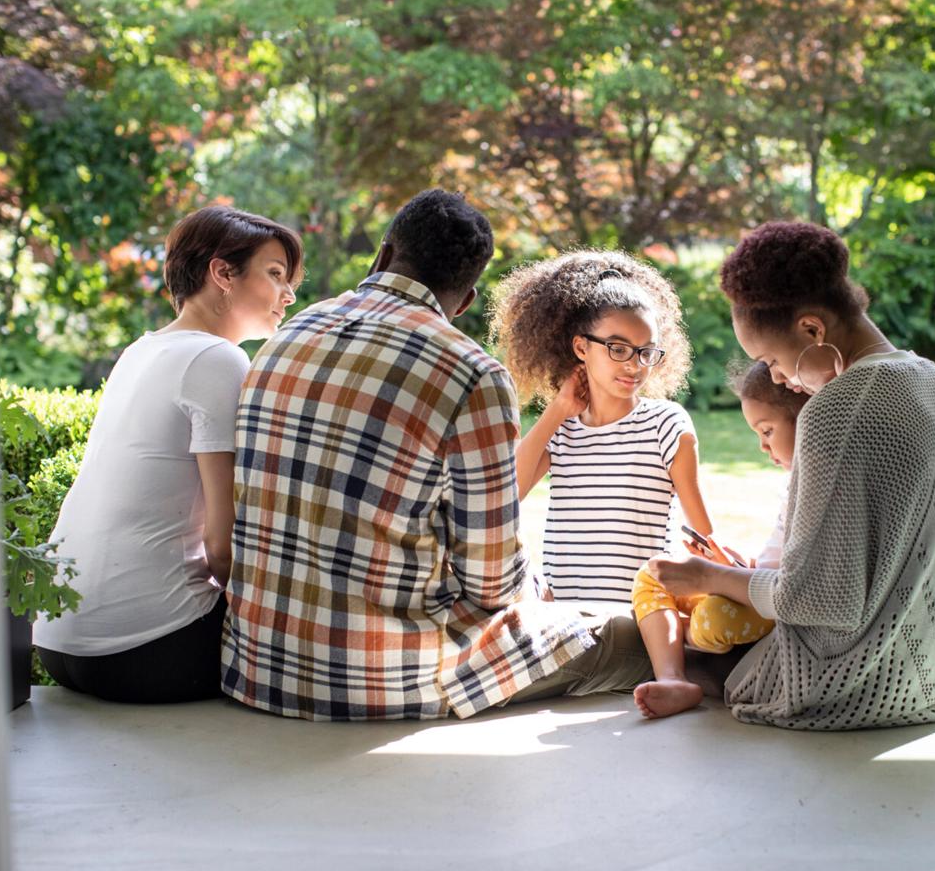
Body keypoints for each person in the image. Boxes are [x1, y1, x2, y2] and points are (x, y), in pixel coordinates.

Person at [222, 190, 654, 721]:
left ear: (382, 256)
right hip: (382, 679)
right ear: (468, 299)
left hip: (257, 663)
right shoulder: (473, 375)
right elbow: (492, 583)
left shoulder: (291, 332)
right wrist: (533, 589)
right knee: (643, 638)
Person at [648, 220, 935, 730]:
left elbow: (817, 599)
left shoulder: (837, 410)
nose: (772, 376)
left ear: (812, 329)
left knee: (664, 640)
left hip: (861, 685)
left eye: (769, 359)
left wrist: (710, 576)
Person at [34, 206, 303, 703]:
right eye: (275, 274)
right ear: (222, 272)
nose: (289, 294)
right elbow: (221, 542)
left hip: (57, 641)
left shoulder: (142, 350)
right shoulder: (217, 358)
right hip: (147, 650)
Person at [491, 251, 717, 717]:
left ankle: (671, 677)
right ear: (580, 348)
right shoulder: (563, 430)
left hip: (632, 618)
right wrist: (556, 411)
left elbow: (702, 536)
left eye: (646, 351)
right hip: (561, 612)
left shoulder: (666, 424)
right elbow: (504, 498)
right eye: (617, 347)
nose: (634, 364)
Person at [625, 360, 806, 717]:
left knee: (714, 615)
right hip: (753, 587)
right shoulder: (792, 485)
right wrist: (734, 564)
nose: (762, 447)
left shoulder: (816, 488)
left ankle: (676, 635)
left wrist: (727, 577)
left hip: (775, 610)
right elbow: (770, 563)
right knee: (653, 574)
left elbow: (793, 584)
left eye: (767, 431)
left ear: (807, 422)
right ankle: (673, 677)